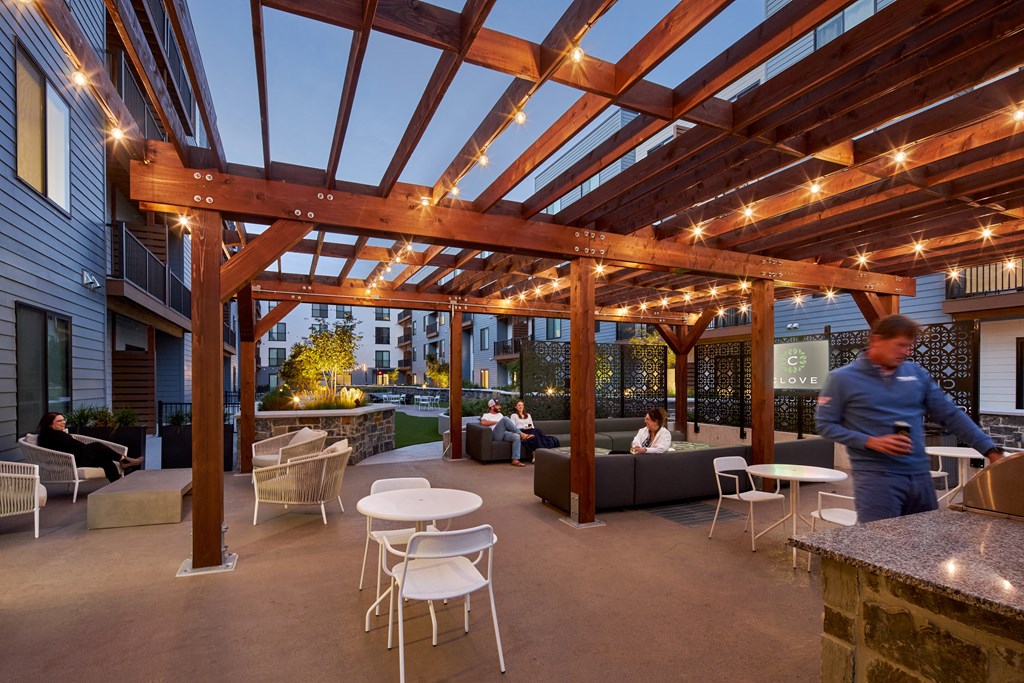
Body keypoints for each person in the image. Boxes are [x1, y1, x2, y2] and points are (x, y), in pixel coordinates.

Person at [816, 314, 1004, 524]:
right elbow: (825, 425)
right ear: (876, 340)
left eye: (909, 346)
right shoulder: (842, 378)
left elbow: (951, 415)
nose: (906, 352)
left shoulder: (916, 373)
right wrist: (870, 441)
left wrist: (990, 451)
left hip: (920, 476)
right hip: (876, 479)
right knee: (878, 547)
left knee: (926, 545)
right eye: (900, 345)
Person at [35, 412, 142, 482]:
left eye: (63, 420)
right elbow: (76, 445)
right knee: (96, 446)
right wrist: (87, 448)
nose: (63, 422)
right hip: (71, 461)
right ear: (50, 424)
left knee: (105, 460)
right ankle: (124, 459)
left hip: (75, 457)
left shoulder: (54, 434)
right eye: (59, 421)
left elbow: (73, 444)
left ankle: (117, 484)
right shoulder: (53, 435)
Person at [480, 399, 533, 467]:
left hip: (504, 433)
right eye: (497, 405)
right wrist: (497, 422)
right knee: (505, 418)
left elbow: (506, 425)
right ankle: (522, 434)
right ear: (492, 407)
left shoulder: (500, 415)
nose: (500, 407)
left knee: (516, 436)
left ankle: (515, 460)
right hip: (495, 435)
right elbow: (483, 422)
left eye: (499, 405)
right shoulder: (487, 415)